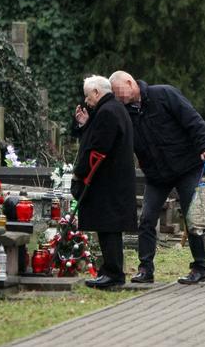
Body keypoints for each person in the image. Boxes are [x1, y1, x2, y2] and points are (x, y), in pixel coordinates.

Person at [109, 71, 205, 285]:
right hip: (157, 174)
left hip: (186, 167)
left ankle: (199, 267)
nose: (117, 98)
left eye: (118, 92)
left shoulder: (164, 94)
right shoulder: (125, 113)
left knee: (192, 217)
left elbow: (192, 119)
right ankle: (145, 269)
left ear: (130, 83)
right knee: (147, 218)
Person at [71, 75, 137, 289]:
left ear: (97, 93)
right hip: (114, 180)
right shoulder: (114, 109)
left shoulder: (107, 112)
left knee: (108, 228)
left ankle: (113, 273)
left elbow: (97, 149)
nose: (86, 101)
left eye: (88, 96)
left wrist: (81, 172)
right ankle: (110, 271)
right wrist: (85, 125)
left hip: (107, 182)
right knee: (109, 229)